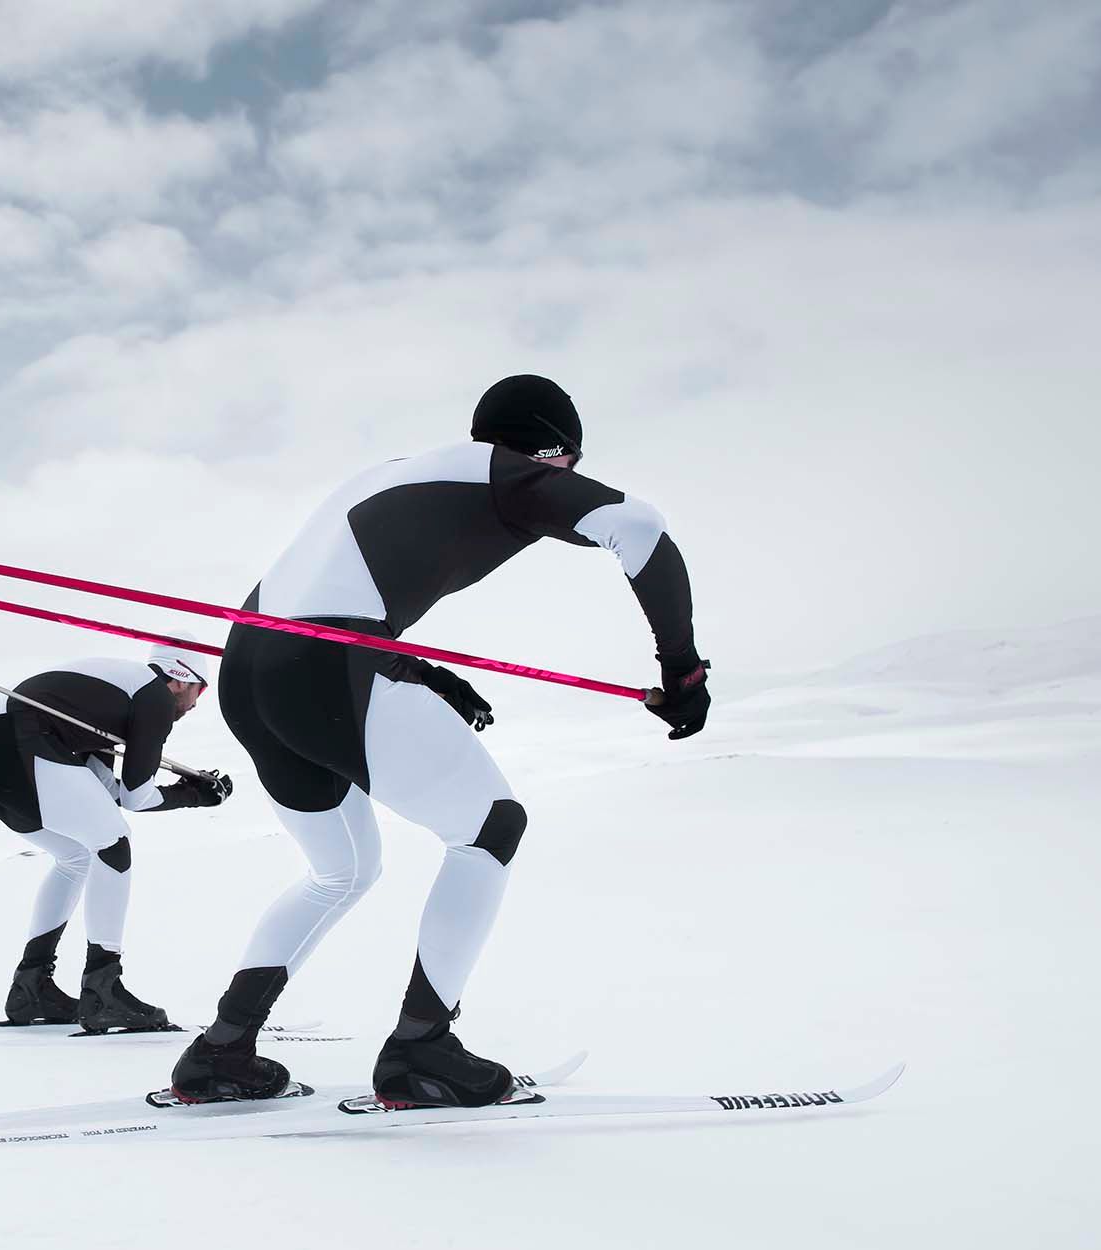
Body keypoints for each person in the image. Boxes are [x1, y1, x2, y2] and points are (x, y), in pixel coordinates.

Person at [169, 373, 709, 1106]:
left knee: (341, 872)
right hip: (327, 669)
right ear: (557, 453)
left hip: (252, 672)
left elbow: (328, 589)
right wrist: (681, 670)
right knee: (492, 827)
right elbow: (639, 526)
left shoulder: (393, 472)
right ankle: (422, 1049)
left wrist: (413, 669)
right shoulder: (511, 473)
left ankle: (221, 1052)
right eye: (569, 468)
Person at [0, 640, 233, 1033]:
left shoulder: (111, 692)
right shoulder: (153, 696)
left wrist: (188, 791)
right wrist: (194, 796)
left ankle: (31, 987)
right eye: (199, 691)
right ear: (180, 679)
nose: (196, 705)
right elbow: (137, 798)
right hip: (18, 739)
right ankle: (104, 991)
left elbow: (105, 788)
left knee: (76, 856)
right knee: (112, 843)